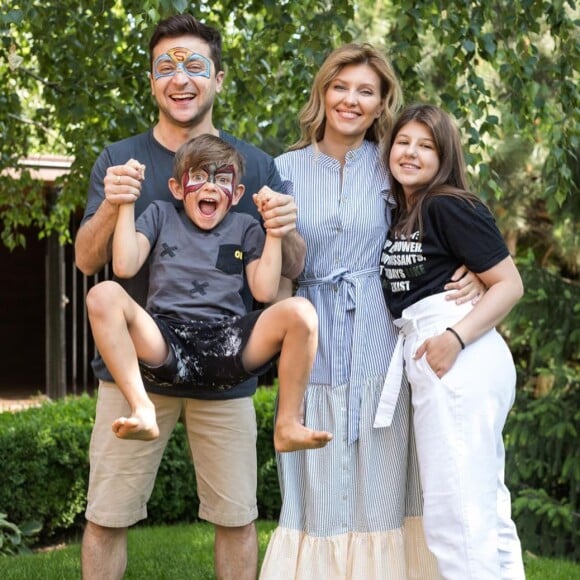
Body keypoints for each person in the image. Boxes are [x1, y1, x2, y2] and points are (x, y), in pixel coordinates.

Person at [75, 14, 305, 580]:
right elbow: (88, 260)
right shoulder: (119, 158)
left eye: (194, 66)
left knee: (237, 518)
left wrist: (286, 226)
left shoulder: (256, 166)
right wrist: (113, 202)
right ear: (152, 82)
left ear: (218, 79)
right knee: (107, 517)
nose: (180, 79)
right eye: (166, 67)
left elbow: (289, 273)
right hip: (139, 369)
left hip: (226, 370)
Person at [259, 44, 483, 579]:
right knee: (319, 481)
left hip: (385, 341)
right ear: (323, 92)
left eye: (366, 91)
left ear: (382, 101)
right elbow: (276, 269)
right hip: (312, 338)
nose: (351, 100)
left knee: (383, 480)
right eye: (341, 87)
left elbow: (450, 215)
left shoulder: (391, 165)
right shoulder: (283, 168)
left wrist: (476, 267)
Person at [86, 134, 332, 453]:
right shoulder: (160, 214)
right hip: (167, 341)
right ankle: (141, 408)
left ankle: (288, 423)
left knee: (301, 311)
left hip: (228, 343)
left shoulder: (245, 227)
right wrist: (126, 202)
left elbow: (264, 289)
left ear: (237, 193)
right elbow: (124, 266)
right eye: (199, 177)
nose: (210, 186)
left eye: (222, 179)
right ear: (177, 188)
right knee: (103, 294)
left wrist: (273, 230)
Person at [374, 103, 525, 579]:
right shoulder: (409, 212)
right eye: (404, 142)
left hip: (458, 353)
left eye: (426, 146)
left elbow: (510, 283)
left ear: (445, 157)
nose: (412, 153)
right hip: (443, 351)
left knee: (455, 511)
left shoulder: (447, 204)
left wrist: (455, 339)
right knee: (482, 503)